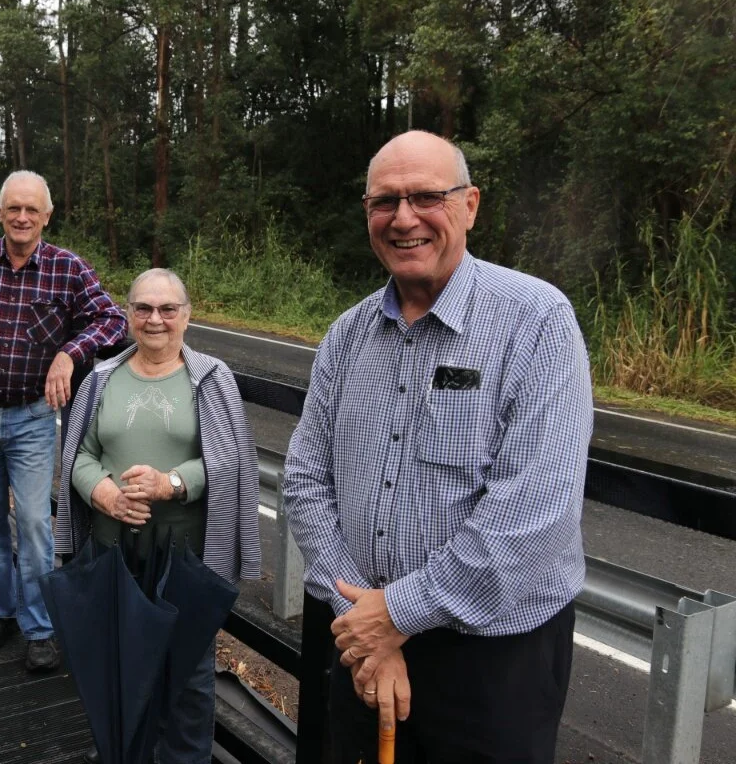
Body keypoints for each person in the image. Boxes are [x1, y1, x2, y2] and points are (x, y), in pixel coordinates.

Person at [283, 130, 592, 763]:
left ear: (470, 205)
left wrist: (395, 615)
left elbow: (534, 512)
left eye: (426, 196)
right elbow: (305, 480)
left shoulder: (534, 321)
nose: (403, 219)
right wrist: (369, 624)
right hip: (360, 636)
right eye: (383, 202)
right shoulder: (346, 337)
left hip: (489, 661)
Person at [56, 268, 262, 764]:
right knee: (115, 669)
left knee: (187, 679)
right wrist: (102, 491)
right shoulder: (103, 378)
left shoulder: (211, 379)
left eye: (168, 309)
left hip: (184, 561)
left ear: (186, 317)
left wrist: (172, 483)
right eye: (143, 308)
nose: (155, 319)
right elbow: (77, 455)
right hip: (111, 556)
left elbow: (233, 457)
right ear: (127, 315)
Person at [0, 170, 127, 672]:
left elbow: (113, 321)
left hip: (31, 418)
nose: (22, 217)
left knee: (35, 524)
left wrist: (69, 352)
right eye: (13, 208)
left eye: (32, 210)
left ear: (47, 216)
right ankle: (0, 612)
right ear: (0, 213)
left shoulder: (67, 268)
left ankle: (40, 627)